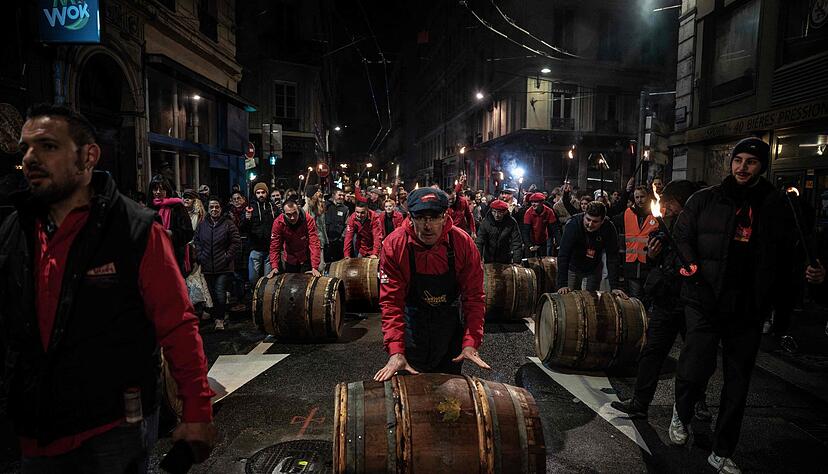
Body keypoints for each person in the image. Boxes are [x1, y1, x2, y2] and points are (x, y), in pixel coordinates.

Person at [1, 104, 215, 472]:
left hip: (112, 427)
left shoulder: (135, 230)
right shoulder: (13, 230)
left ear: (88, 157)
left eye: (48, 146)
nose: (31, 158)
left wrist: (197, 410)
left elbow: (178, 324)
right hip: (33, 428)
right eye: (25, 148)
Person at [669, 137, 797, 473]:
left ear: (761, 166)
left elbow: (789, 256)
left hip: (748, 308)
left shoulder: (775, 205)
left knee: (737, 384)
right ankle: (681, 413)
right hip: (704, 298)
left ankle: (722, 449)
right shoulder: (705, 199)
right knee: (696, 365)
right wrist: (691, 265)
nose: (742, 167)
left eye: (750, 162)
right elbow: (681, 235)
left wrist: (784, 306)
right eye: (738, 160)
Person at [611, 180, 711, 420]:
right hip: (667, 298)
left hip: (692, 301)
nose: (664, 208)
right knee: (652, 351)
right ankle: (640, 402)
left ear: (681, 203)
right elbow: (657, 259)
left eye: (668, 203)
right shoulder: (665, 226)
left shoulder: (701, 227)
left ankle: (699, 402)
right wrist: (653, 254)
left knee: (696, 356)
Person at [373, 188, 490, 381]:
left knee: (450, 400)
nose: (428, 226)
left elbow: (474, 297)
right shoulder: (395, 245)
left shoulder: (463, 243)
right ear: (410, 217)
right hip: (413, 325)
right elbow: (391, 303)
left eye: (434, 217)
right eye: (421, 217)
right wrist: (396, 351)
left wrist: (470, 342)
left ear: (445, 216)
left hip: (449, 326)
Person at [556, 201, 624, 295]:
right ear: (584, 215)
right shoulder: (573, 225)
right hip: (572, 266)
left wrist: (614, 287)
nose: (590, 224)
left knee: (591, 301)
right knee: (568, 299)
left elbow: (613, 257)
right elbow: (563, 254)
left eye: (595, 221)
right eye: (588, 219)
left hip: (593, 268)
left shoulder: (608, 228)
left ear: (603, 220)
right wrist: (562, 284)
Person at [194, 197, 241, 330]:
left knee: (220, 292)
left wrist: (227, 256)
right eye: (211, 207)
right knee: (212, 293)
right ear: (208, 209)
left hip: (224, 266)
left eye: (217, 207)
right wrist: (200, 255)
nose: (214, 210)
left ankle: (219, 319)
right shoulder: (202, 225)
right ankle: (218, 315)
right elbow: (197, 241)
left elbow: (236, 241)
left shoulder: (228, 223)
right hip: (207, 265)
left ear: (221, 208)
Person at [147, 174, 193, 276]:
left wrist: (171, 233)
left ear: (167, 190)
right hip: (154, 258)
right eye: (155, 189)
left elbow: (188, 232)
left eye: (162, 189)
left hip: (174, 257)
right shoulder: (149, 208)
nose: (158, 192)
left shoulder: (177, 207)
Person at [267, 200, 322, 276]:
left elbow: (314, 243)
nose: (292, 217)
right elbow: (274, 246)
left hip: (306, 257)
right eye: (289, 215)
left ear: (298, 210)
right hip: (290, 258)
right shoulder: (278, 223)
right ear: (283, 213)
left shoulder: (308, 220)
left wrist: (315, 267)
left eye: (294, 213)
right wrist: (274, 266)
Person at [622, 185, 658, 298]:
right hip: (632, 263)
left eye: (642, 196)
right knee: (635, 298)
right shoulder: (628, 212)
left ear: (648, 197)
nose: (639, 200)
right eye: (636, 197)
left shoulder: (656, 212)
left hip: (649, 262)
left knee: (649, 295)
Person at [240, 182, 277, 285]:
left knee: (268, 280)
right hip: (255, 248)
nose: (261, 195)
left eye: (263, 192)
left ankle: (264, 299)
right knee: (253, 278)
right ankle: (254, 296)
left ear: (267, 193)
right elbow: (242, 227)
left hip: (270, 249)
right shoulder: (249, 208)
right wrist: (247, 219)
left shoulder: (272, 207)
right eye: (258, 192)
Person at [475, 198, 523, 264]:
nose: (496, 215)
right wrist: (478, 260)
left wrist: (516, 261)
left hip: (505, 258)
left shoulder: (511, 222)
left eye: (500, 212)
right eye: (494, 211)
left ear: (505, 212)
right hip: (489, 258)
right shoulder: (486, 222)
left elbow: (516, 242)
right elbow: (479, 242)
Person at [523, 192, 557, 258]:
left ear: (542, 202)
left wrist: (559, 243)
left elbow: (555, 228)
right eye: (532, 202)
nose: (533, 204)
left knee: (543, 260)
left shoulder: (548, 211)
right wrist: (530, 245)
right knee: (530, 261)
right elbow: (525, 231)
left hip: (543, 240)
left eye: (536, 202)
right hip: (531, 240)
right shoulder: (528, 213)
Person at [303, 185, 328, 271]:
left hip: (319, 240)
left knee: (320, 266)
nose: (319, 194)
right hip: (308, 242)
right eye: (317, 192)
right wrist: (307, 199)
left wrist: (325, 240)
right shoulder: (306, 209)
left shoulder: (320, 207)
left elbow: (322, 226)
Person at [325, 188, 350, 263]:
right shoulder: (326, 205)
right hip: (326, 240)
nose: (341, 197)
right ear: (333, 195)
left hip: (338, 241)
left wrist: (342, 237)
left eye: (343, 195)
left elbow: (347, 224)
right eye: (339, 195)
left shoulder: (345, 209)